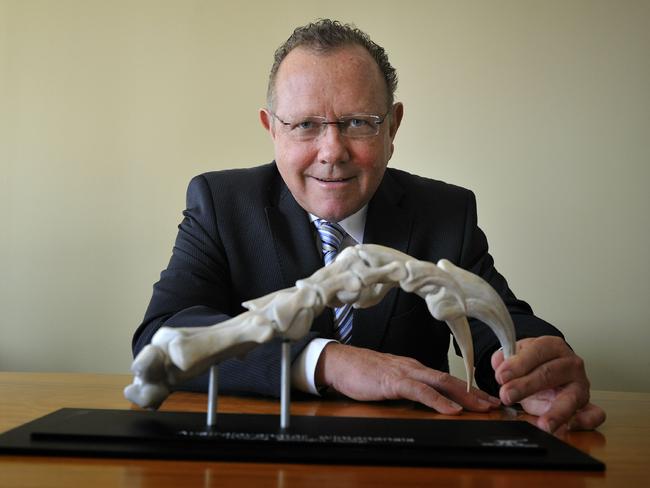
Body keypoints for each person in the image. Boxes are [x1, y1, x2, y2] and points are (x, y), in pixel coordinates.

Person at [132, 19, 605, 434]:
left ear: (393, 128)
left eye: (359, 122)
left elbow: (497, 318)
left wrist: (534, 366)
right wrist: (326, 361)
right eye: (304, 126)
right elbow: (163, 334)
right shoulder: (220, 204)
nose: (332, 151)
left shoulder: (445, 210)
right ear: (272, 129)